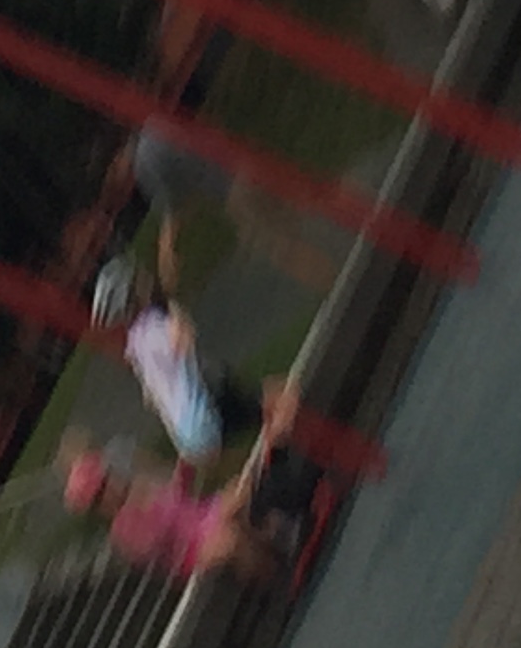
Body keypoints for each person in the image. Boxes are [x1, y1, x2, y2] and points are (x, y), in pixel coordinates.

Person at [59, 387, 313, 586]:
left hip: (203, 514)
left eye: (108, 480)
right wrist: (144, 508)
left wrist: (184, 468)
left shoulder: (140, 486)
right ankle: (277, 576)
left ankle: (285, 528)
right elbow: (160, 544)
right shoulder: (123, 529)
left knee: (242, 489)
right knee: (227, 538)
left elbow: (177, 497)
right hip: (192, 550)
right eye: (103, 491)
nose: (112, 486)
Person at [126, 121, 343, 295]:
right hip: (245, 162)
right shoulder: (162, 124)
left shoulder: (144, 157)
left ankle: (337, 285)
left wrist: (166, 247)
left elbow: (177, 201)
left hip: (232, 190)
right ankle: (347, 245)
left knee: (281, 248)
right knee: (293, 214)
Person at [91, 252, 263, 467]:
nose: (145, 274)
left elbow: (150, 399)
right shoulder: (152, 326)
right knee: (271, 404)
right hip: (201, 418)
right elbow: (185, 338)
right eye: (137, 276)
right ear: (133, 293)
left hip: (186, 437)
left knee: (250, 453)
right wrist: (172, 303)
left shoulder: (136, 343)